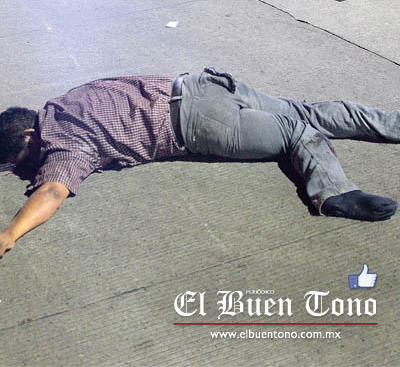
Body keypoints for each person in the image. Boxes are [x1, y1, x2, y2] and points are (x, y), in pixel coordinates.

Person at [0, 67, 398, 258]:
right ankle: (391, 124)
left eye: (20, 160)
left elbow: (53, 191)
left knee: (298, 133)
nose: (24, 169)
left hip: (198, 123)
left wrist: (10, 234)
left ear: (30, 136)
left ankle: (334, 194)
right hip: (203, 85)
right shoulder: (69, 97)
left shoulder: (63, 144)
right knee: (306, 112)